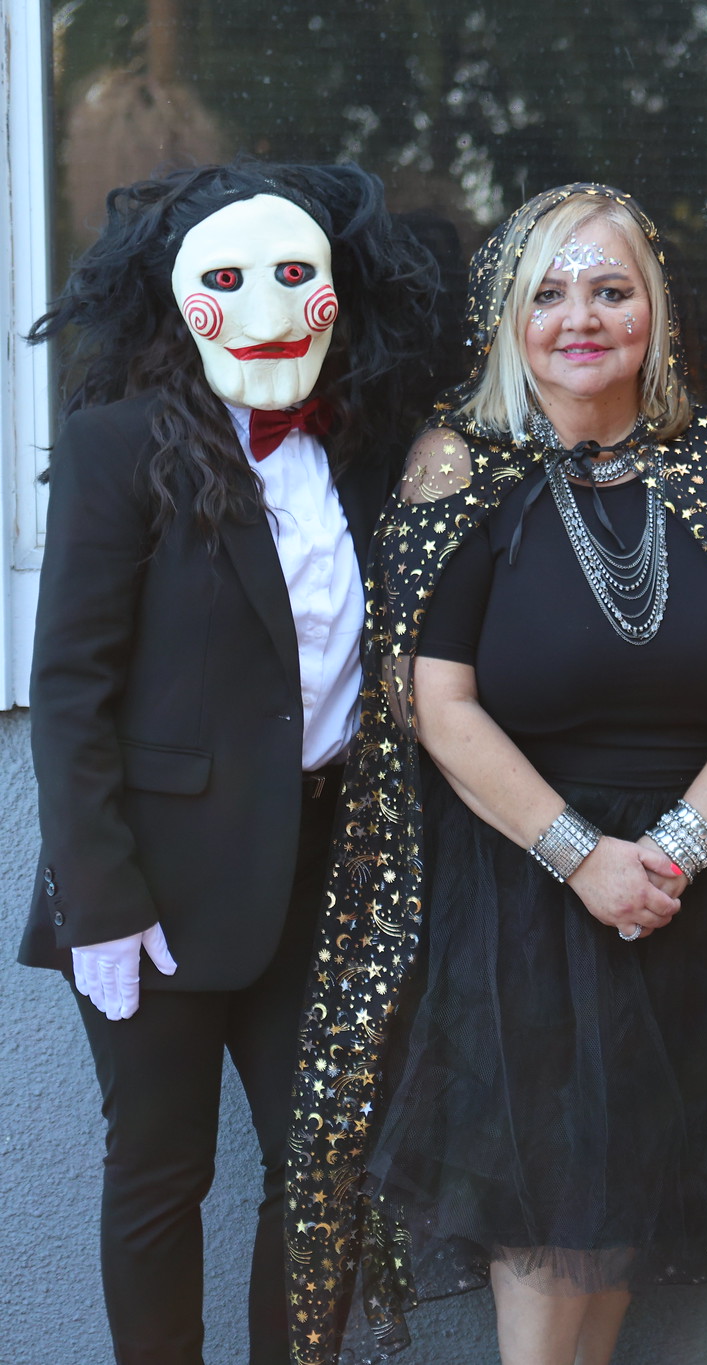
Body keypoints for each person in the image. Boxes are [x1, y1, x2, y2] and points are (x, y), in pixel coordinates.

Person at [283, 184, 707, 1365]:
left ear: (655, 309)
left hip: (688, 893)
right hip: (523, 897)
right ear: (506, 318)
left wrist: (678, 847)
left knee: (618, 1223)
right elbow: (432, 701)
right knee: (543, 1233)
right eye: (547, 292)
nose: (579, 316)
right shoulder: (457, 471)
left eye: (609, 288)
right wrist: (584, 860)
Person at [17, 162, 437, 1365]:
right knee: (161, 1171)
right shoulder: (117, 448)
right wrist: (102, 901)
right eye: (231, 280)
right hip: (152, 889)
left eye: (295, 276)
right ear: (175, 298)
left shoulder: (369, 455)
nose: (264, 306)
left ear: (337, 295)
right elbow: (70, 692)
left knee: (322, 1172)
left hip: (321, 878)